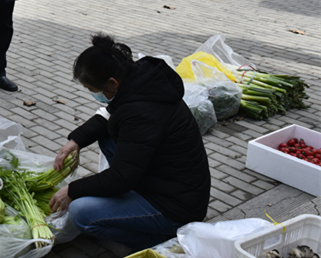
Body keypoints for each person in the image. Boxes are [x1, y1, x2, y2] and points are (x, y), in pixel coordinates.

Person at [48, 34, 211, 251]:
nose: (94, 95)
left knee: (81, 212)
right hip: (168, 183)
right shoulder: (141, 78)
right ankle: (128, 209)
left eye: (93, 90)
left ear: (112, 83)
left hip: (175, 207)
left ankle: (165, 242)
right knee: (107, 133)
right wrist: (76, 141)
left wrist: (72, 190)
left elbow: (121, 178)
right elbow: (110, 114)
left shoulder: (141, 114)